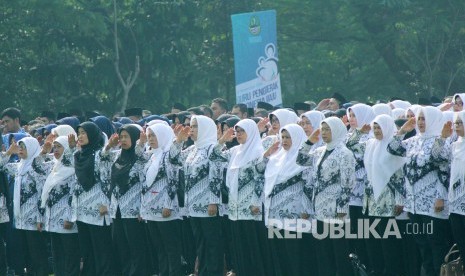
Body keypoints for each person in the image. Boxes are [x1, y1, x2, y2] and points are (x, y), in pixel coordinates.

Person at [388, 106, 450, 276]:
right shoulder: (412, 141)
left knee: (435, 245)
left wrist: (441, 197)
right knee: (422, 246)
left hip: (432, 204)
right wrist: (402, 131)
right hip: (414, 205)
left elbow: (444, 169)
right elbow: (392, 148)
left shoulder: (441, 141)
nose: (421, 122)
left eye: (424, 119)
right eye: (419, 119)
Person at [348, 114, 407, 275]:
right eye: (374, 127)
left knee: (388, 241)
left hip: (388, 199)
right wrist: (360, 132)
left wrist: (401, 200)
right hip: (371, 200)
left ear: (387, 127)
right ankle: (378, 270)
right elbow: (350, 144)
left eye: (379, 127)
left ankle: (393, 271)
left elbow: (400, 174)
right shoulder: (370, 144)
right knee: (374, 241)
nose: (376, 130)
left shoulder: (393, 146)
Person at [297, 117, 356, 276]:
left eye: (327, 129)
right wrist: (309, 142)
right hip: (319, 208)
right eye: (322, 129)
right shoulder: (319, 151)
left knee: (338, 252)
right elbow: (300, 159)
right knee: (323, 252)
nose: (323, 133)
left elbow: (348, 182)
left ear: (336, 130)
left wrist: (342, 208)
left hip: (336, 210)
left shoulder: (345, 153)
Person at [212, 119, 266, 276]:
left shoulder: (257, 151)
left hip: (251, 207)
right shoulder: (235, 151)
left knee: (252, 247)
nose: (239, 134)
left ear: (251, 132)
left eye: (242, 131)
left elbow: (260, 179)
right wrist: (222, 140)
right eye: (237, 131)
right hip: (235, 208)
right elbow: (214, 156)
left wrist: (256, 202)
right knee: (239, 247)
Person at [170, 115, 223, 276]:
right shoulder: (192, 149)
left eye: (195, 126)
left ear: (206, 128)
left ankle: (214, 272)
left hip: (208, 204)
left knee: (212, 242)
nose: (191, 129)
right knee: (200, 242)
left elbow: (216, 175)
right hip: (192, 205)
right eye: (190, 126)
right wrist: (178, 141)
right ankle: (204, 271)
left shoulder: (212, 148)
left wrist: (214, 201)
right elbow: (173, 159)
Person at [260, 123, 311, 276]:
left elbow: (308, 185)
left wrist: (305, 208)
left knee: (294, 253)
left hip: (294, 214)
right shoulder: (276, 158)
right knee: (279, 252)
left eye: (288, 137)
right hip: (274, 213)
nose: (285, 141)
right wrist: (266, 155)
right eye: (282, 137)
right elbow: (260, 173)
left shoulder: (303, 159)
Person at [71, 122, 115, 276]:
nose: (80, 136)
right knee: (87, 250)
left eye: (84, 133)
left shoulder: (98, 154)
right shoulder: (78, 155)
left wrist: (106, 203)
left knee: (101, 249)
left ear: (93, 135)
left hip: (98, 208)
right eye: (79, 133)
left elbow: (107, 176)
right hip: (82, 209)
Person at [0, 137, 49, 276]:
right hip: (20, 218)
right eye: (19, 147)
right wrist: (9, 153)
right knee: (26, 252)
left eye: (24, 147)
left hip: (34, 217)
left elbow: (41, 193)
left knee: (37, 252)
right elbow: (1, 165)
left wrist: (40, 217)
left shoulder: (38, 168)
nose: (20, 150)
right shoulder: (18, 166)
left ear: (32, 148)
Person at [105, 124, 149, 276]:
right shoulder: (117, 155)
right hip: (116, 209)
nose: (123, 140)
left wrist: (141, 144)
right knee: (121, 246)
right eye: (121, 137)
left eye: (126, 137)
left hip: (133, 209)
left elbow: (145, 183)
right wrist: (109, 146)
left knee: (136, 247)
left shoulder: (141, 157)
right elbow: (103, 159)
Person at [140, 123, 183, 276]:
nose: (150, 139)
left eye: (154, 135)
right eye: (149, 135)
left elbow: (173, 181)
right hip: (150, 210)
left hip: (165, 209)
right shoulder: (151, 155)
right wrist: (143, 209)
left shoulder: (167, 155)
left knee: (171, 248)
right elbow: (144, 184)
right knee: (159, 248)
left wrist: (169, 205)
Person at [38, 135, 80, 276]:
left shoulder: (73, 169)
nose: (55, 149)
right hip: (52, 219)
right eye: (54, 147)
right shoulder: (55, 166)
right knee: (58, 256)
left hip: (66, 219)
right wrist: (44, 151)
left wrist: (70, 217)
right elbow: (35, 166)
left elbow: (74, 194)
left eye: (59, 146)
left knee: (70, 255)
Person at [432, 110, 465, 265]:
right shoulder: (454, 146)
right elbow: (437, 157)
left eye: (460, 123)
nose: (457, 126)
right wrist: (443, 137)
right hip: (455, 204)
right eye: (456, 123)